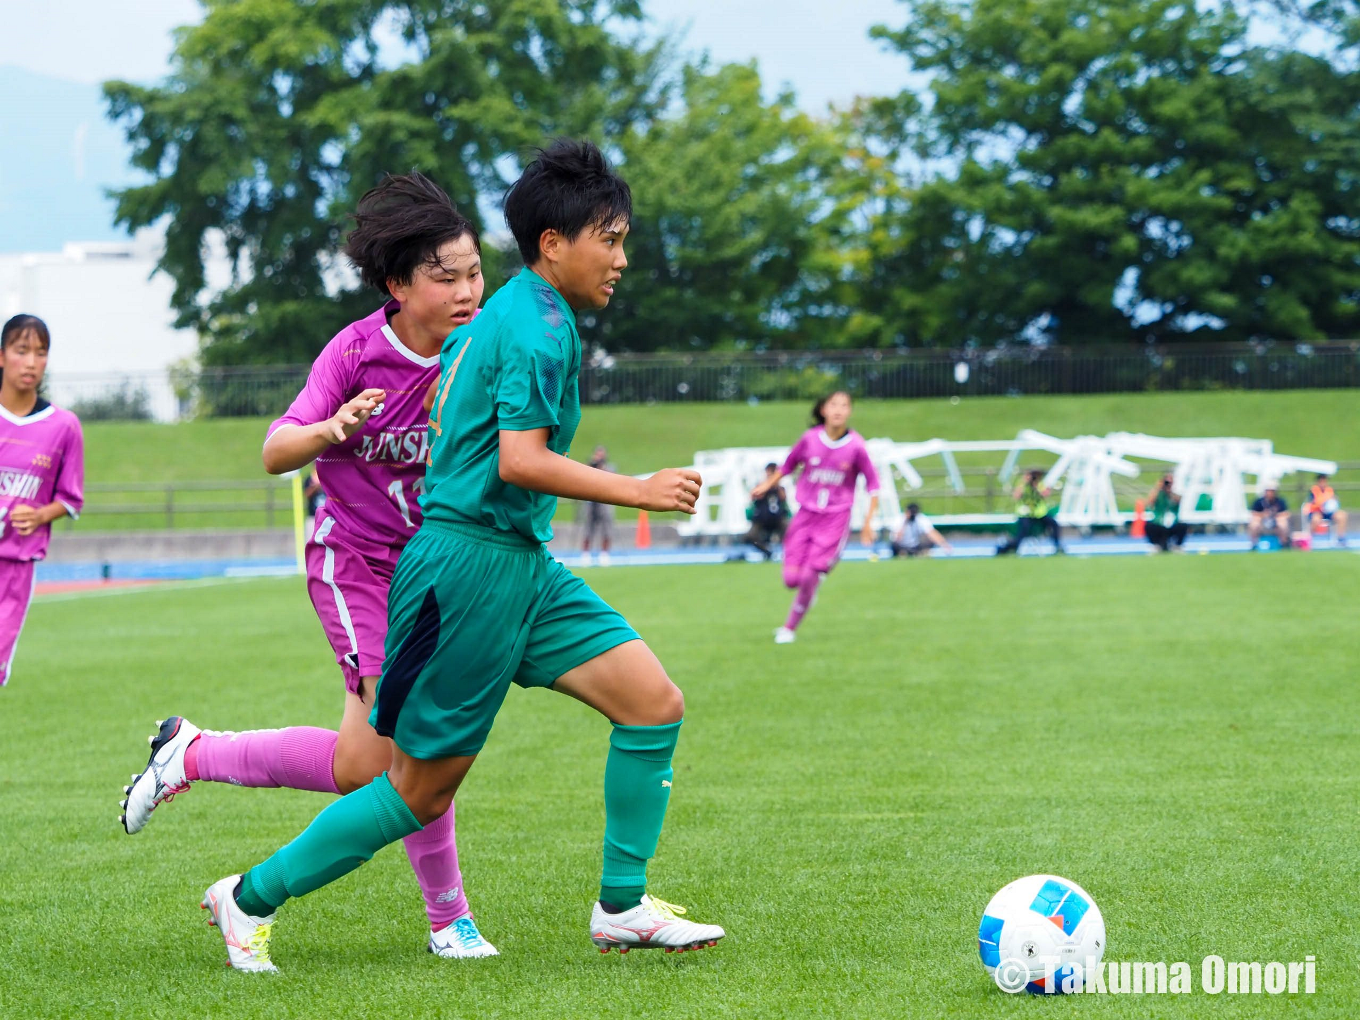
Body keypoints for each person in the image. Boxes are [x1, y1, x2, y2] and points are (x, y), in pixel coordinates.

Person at [194, 140, 725, 972]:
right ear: (555, 242)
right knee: (414, 788)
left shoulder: (515, 311)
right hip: (469, 573)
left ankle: (621, 905)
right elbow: (519, 459)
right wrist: (641, 490)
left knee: (652, 702)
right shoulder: (538, 328)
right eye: (610, 239)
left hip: (519, 563)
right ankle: (249, 896)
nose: (622, 259)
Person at [118, 173, 498, 959]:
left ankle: (192, 752)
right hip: (353, 562)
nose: (468, 290)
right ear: (398, 284)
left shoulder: (481, 351)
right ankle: (448, 919)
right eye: (447, 276)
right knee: (418, 737)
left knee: (363, 765)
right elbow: (273, 450)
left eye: (474, 272)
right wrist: (332, 426)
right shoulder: (357, 351)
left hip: (434, 571)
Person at [754, 391, 880, 644]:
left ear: (850, 412)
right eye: (833, 404)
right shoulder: (809, 439)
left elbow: (874, 485)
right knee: (791, 580)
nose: (838, 410)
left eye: (844, 405)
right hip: (805, 515)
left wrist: (868, 523)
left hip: (835, 519)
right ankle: (809, 589)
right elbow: (788, 466)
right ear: (822, 409)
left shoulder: (856, 446)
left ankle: (789, 628)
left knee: (810, 576)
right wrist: (767, 484)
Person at [0, 314, 84, 687]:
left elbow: (70, 499)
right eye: (22, 351)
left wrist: (37, 516)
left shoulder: (63, 426)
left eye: (41, 352)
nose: (32, 362)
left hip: (17, 566)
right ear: (2, 356)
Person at [995, 469, 1063, 555]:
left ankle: (1057, 545)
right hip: (1025, 514)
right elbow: (1016, 496)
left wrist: (1036, 486)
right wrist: (1024, 482)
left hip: (1039, 514)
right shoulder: (1023, 486)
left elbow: (1045, 494)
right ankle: (1009, 547)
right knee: (1023, 532)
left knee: (1053, 524)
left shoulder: (1039, 485)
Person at [736, 462, 789, 560]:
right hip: (762, 518)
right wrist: (765, 487)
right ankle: (766, 550)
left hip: (777, 518)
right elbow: (753, 496)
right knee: (750, 536)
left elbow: (783, 498)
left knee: (790, 531)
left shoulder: (780, 488)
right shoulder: (761, 485)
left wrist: (775, 485)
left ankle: (790, 553)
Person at [580, 445, 615, 563]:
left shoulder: (609, 468)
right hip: (591, 502)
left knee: (607, 528)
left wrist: (602, 468)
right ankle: (586, 554)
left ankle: (604, 554)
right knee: (588, 528)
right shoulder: (589, 467)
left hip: (605, 502)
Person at [1144, 474, 1188, 552]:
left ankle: (1177, 546)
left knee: (1183, 525)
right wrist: (1158, 488)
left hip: (1172, 523)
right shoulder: (1159, 494)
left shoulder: (1175, 493)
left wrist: (1170, 491)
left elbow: (1178, 500)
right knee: (1149, 525)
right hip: (1159, 523)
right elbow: (1150, 502)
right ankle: (1156, 545)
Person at [1304, 473, 1347, 546]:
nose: (1323, 483)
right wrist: (1320, 505)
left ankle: (1340, 537)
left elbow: (1336, 502)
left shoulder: (1330, 490)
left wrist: (1334, 503)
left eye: (1324, 481)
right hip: (1318, 512)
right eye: (1321, 481)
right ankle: (1309, 539)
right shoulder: (1313, 491)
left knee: (1342, 515)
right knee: (1315, 519)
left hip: (1329, 513)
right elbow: (1310, 503)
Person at [1248, 483, 1291, 548]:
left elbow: (1286, 513)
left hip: (1275, 522)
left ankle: (1283, 543)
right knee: (1254, 523)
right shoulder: (1259, 501)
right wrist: (1263, 514)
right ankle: (1254, 544)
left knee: (1282, 523)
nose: (1270, 493)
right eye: (1268, 491)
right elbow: (1254, 513)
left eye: (1272, 491)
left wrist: (1276, 515)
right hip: (1263, 522)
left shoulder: (1280, 501)